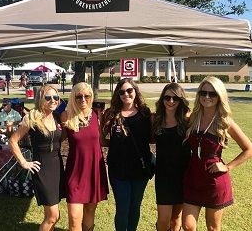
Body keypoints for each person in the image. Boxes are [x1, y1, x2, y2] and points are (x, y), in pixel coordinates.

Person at [182, 76, 252, 231]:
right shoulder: (193, 117)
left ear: (219, 96)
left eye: (212, 94)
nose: (207, 97)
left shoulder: (224, 121)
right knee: (187, 225)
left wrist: (227, 167)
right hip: (193, 176)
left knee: (213, 227)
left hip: (214, 180)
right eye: (203, 93)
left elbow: (249, 148)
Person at [9, 85, 65, 231]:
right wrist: (23, 162)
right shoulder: (32, 117)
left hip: (57, 168)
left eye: (55, 97)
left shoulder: (57, 118)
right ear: (40, 99)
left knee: (51, 215)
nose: (52, 100)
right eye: (48, 97)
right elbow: (13, 140)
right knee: (53, 216)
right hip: (42, 169)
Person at [101, 78, 152, 231]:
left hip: (140, 170)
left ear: (135, 91)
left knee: (135, 207)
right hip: (118, 170)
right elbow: (103, 141)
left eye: (129, 90)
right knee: (123, 208)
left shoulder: (145, 113)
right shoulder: (112, 114)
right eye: (122, 92)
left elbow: (151, 139)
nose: (126, 94)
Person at [60, 82, 108, 231]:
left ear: (91, 97)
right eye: (79, 96)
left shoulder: (97, 114)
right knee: (74, 218)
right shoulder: (66, 115)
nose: (83, 99)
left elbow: (102, 141)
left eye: (87, 96)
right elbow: (57, 139)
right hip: (75, 172)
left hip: (94, 170)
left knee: (89, 211)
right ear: (73, 97)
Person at [152, 83, 191, 231]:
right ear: (162, 99)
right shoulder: (155, 120)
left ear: (181, 100)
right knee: (163, 219)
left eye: (175, 98)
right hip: (163, 176)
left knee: (176, 218)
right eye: (167, 97)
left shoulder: (188, 120)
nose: (171, 101)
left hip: (183, 174)